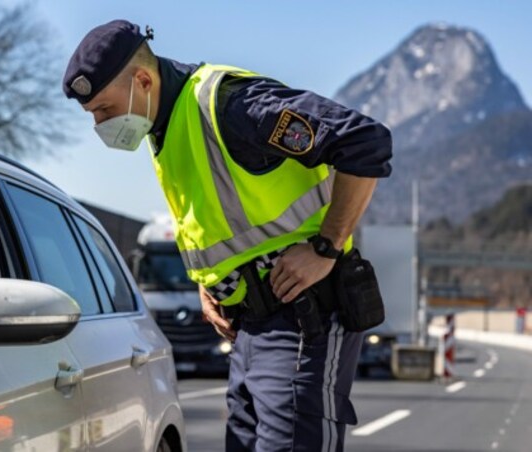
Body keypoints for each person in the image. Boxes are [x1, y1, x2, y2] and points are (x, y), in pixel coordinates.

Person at [63, 20, 393, 451]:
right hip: (250, 330)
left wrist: (325, 247)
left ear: (142, 80)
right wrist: (208, 286)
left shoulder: (228, 105)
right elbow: (214, 222)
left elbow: (364, 141)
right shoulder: (162, 129)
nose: (100, 125)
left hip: (302, 316)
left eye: (104, 110)